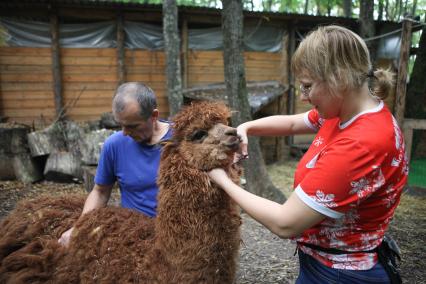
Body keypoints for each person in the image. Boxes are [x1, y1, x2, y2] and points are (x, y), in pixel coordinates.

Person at [208, 25, 408, 283]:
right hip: (327, 262)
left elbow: (285, 222)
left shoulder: (361, 144)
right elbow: (294, 123)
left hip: (339, 274)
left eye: (307, 86)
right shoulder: (345, 111)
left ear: (339, 77)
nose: (303, 97)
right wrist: (247, 127)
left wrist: (221, 179)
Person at [59, 82, 172, 247]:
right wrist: (78, 228)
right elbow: (100, 192)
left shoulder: (184, 140)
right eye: (121, 125)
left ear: (154, 116)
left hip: (176, 234)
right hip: (135, 235)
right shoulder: (114, 145)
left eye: (132, 126)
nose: (125, 133)